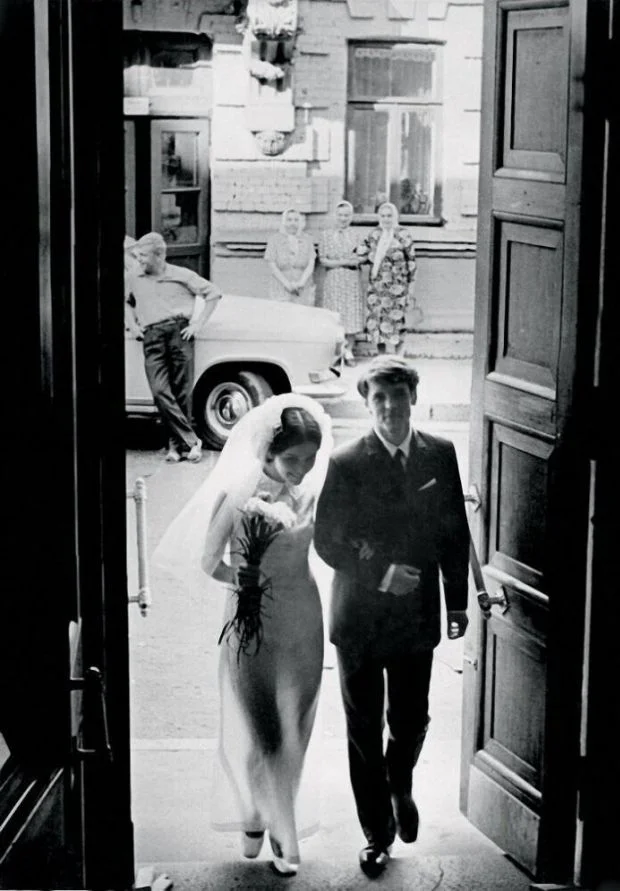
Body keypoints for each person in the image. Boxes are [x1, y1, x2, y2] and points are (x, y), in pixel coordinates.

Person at [153, 394, 333, 878]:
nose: (303, 469)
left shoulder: (313, 491)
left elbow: (331, 545)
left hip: (304, 618)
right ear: (268, 452)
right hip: (252, 622)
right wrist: (243, 578)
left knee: (297, 727)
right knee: (265, 730)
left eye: (311, 458)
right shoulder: (238, 493)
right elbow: (208, 562)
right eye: (293, 459)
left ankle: (274, 814)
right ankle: (267, 818)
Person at [314, 356, 471, 879]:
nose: (389, 407)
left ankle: (399, 779)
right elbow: (327, 541)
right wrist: (382, 574)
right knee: (363, 727)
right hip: (358, 619)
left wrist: (457, 602)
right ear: (367, 404)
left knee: (410, 718)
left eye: (397, 396)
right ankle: (377, 834)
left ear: (413, 398)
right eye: (378, 398)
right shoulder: (345, 462)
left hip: (416, 617)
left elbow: (454, 532)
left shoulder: (440, 454)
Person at [125, 232, 222, 463]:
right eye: (137, 256)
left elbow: (213, 294)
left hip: (179, 333)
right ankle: (192, 441)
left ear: (159, 256)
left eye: (143, 256)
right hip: (151, 336)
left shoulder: (182, 275)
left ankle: (175, 448)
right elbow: (126, 302)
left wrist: (198, 324)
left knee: (181, 392)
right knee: (159, 391)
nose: (139, 260)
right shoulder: (133, 277)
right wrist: (132, 325)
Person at [355, 202, 417, 355]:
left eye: (389, 216)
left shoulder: (403, 234)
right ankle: (381, 357)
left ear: (395, 216)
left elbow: (412, 263)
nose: (386, 219)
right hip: (376, 287)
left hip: (397, 288)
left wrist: (411, 289)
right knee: (377, 321)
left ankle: (395, 357)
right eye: (382, 216)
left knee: (395, 322)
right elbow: (360, 252)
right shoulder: (374, 234)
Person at [318, 200, 364, 365]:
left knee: (351, 313)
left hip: (351, 278)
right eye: (340, 215)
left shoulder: (357, 235)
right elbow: (323, 259)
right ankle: (336, 352)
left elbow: (361, 258)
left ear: (351, 217)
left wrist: (351, 261)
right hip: (334, 278)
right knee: (334, 314)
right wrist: (343, 261)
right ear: (335, 216)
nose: (343, 219)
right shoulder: (326, 235)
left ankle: (349, 350)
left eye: (346, 215)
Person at [264, 208, 316, 305]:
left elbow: (311, 264)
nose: (293, 223)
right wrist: (287, 284)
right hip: (281, 286)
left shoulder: (308, 239)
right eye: (289, 220)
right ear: (284, 222)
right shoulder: (274, 240)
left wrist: (301, 283)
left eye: (296, 220)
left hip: (303, 288)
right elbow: (272, 266)